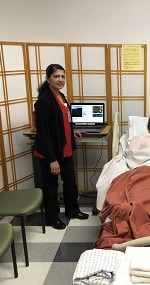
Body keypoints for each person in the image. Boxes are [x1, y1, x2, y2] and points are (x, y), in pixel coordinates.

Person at [33, 63, 89, 230]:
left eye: (63, 76)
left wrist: (72, 132)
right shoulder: (43, 101)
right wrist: (52, 160)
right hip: (50, 152)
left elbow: (63, 121)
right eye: (56, 76)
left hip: (65, 148)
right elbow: (43, 133)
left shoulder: (61, 96)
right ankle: (52, 217)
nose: (60, 80)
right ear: (48, 78)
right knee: (51, 186)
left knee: (70, 181)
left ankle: (72, 210)